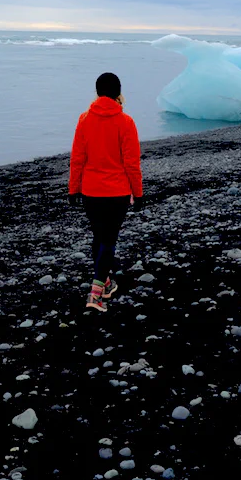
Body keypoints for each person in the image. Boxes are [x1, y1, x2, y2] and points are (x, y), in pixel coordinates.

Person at [68, 72, 144, 312]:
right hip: (117, 192)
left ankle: (107, 283)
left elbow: (77, 158)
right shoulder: (126, 122)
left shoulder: (84, 119)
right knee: (109, 240)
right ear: (118, 92)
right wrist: (138, 193)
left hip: (91, 191)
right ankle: (96, 293)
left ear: (97, 92)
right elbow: (132, 163)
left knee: (99, 238)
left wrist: (74, 188)